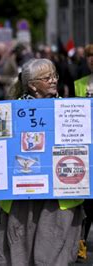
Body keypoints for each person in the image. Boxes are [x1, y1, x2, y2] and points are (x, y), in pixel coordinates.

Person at [1, 58, 84, 265]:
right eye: (47, 78)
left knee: (53, 254)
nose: (54, 80)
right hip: (21, 195)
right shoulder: (9, 112)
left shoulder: (71, 111)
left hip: (60, 196)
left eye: (54, 75)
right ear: (32, 84)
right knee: (20, 253)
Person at [73, 43, 93, 262]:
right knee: (86, 199)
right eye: (89, 56)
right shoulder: (79, 84)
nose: (92, 59)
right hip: (86, 146)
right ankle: (81, 243)